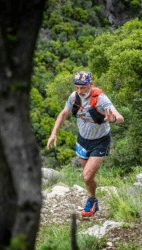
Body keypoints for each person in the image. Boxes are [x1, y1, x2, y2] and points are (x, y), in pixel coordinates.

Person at [47, 71, 124, 217]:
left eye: (83, 88)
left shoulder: (101, 98)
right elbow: (63, 114)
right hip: (83, 139)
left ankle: (91, 200)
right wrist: (53, 133)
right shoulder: (74, 96)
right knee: (88, 177)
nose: (80, 91)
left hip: (100, 140)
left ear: (91, 84)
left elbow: (120, 117)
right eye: (77, 87)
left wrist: (113, 119)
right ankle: (93, 199)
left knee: (87, 176)